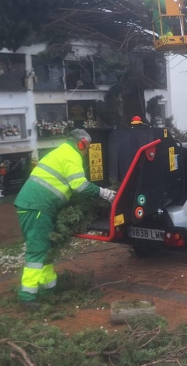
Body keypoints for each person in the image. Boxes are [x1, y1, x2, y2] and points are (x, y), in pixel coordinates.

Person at [13, 129, 116, 307]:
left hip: (35, 205)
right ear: (82, 143)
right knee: (38, 249)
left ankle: (48, 287)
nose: (86, 151)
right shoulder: (72, 155)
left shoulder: (61, 151)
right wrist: (104, 193)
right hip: (37, 206)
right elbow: (80, 186)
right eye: (87, 147)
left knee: (46, 248)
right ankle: (27, 296)